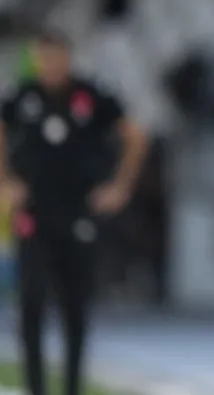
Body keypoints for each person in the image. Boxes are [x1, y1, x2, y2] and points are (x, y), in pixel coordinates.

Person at [0, 30, 149, 395]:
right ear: (35, 59)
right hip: (34, 214)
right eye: (43, 57)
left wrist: (119, 187)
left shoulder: (91, 94)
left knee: (75, 306)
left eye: (56, 57)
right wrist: (5, 180)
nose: (50, 65)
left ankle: (70, 387)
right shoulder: (23, 96)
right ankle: (35, 387)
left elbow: (135, 136)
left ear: (67, 57)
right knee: (32, 303)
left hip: (79, 214)